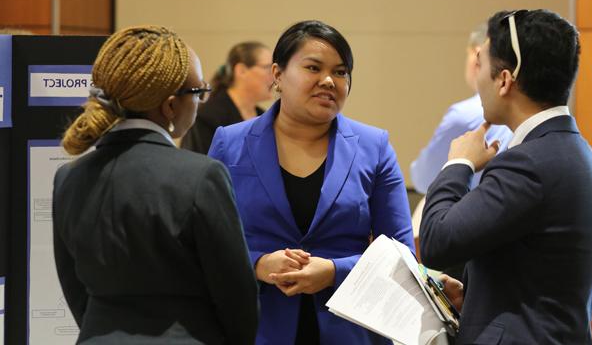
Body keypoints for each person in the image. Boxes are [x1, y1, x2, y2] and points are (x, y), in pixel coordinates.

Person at [208, 20, 414, 345]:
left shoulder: (374, 146)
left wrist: (334, 271)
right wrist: (258, 263)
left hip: (350, 328)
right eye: (313, 68)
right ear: (277, 74)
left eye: (341, 72)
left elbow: (402, 253)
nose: (329, 81)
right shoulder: (229, 143)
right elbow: (206, 242)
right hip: (253, 326)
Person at [52, 25, 258, 344]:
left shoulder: (69, 177)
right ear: (171, 106)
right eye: (199, 93)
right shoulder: (202, 176)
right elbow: (237, 298)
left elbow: (76, 291)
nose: (202, 102)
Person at [420, 9, 592, 344]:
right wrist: (476, 295)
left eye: (481, 63)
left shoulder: (528, 164)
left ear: (505, 79)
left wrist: (459, 164)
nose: (476, 78)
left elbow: (437, 241)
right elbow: (541, 279)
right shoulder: (582, 157)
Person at [410, 24, 512, 194]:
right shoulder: (527, 108)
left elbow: (424, 178)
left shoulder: (464, 114)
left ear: (478, 57)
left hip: (471, 212)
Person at [181, 41, 273, 154]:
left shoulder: (265, 117)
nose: (275, 76)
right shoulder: (207, 116)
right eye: (268, 68)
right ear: (241, 70)